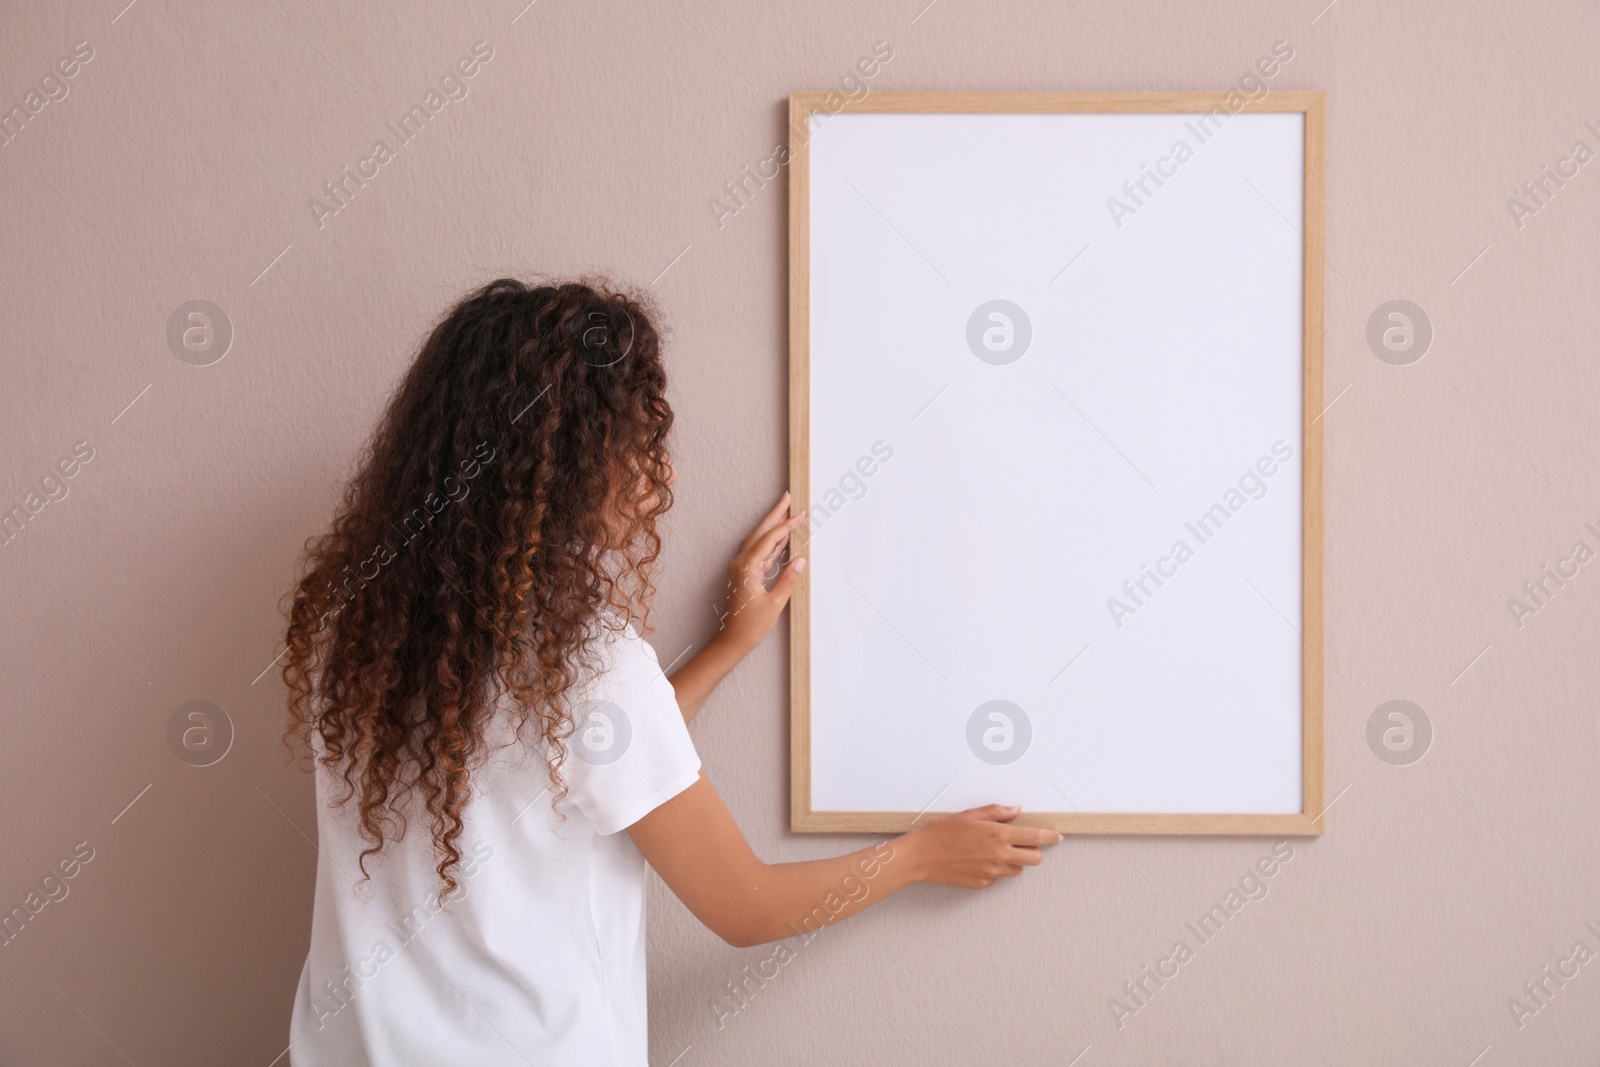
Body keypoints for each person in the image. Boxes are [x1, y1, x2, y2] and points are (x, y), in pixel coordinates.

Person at [282, 278, 1061, 1065]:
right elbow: (744, 904)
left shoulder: (357, 631)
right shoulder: (589, 664)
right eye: (640, 440)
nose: (665, 474)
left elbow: (560, 774)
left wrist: (724, 648)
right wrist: (925, 854)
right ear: (565, 463)